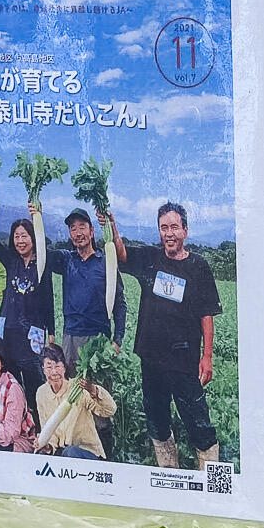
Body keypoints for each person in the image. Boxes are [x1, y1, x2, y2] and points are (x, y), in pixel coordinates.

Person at [104, 201, 223, 470]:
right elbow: (121, 253)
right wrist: (111, 225)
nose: (169, 233)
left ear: (185, 231)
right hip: (151, 358)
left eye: (174, 227)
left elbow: (207, 314)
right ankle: (169, 473)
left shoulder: (198, 266)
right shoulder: (149, 258)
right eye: (163, 228)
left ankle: (212, 477)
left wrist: (207, 357)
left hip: (184, 360)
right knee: (157, 419)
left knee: (198, 421)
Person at [0, 210, 56, 421]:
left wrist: (51, 331)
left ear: (33, 238)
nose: (20, 241)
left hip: (32, 332)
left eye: (24, 236)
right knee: (10, 378)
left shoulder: (42, 265)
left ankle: (36, 422)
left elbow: (49, 298)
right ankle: (16, 422)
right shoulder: (12, 261)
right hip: (9, 329)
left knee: (33, 378)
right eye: (16, 236)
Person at [52, 207, 127, 370]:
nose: (78, 233)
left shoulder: (106, 263)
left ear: (92, 231)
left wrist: (118, 340)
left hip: (99, 338)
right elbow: (42, 254)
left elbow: (119, 304)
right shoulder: (66, 260)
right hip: (71, 337)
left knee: (98, 384)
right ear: (70, 235)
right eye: (73, 229)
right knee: (71, 382)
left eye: (82, 227)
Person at [34, 349, 118, 459]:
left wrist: (94, 391)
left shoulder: (78, 387)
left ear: (64, 368)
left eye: (58, 366)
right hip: (62, 454)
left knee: (70, 452)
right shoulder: (41, 393)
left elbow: (109, 410)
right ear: (43, 370)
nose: (54, 372)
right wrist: (47, 446)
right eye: (49, 367)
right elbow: (48, 428)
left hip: (87, 453)